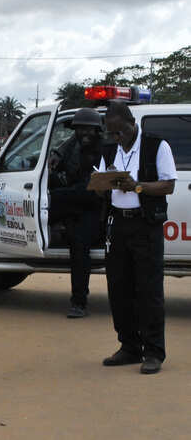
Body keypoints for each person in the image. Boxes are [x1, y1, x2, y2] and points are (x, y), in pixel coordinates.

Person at [98, 100, 176, 375]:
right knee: (119, 288)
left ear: (132, 124)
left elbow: (168, 185)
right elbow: (102, 183)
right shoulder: (110, 150)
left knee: (149, 290)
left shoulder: (157, 146)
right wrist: (100, 186)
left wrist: (138, 187)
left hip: (146, 226)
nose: (116, 137)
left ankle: (153, 351)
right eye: (112, 133)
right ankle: (129, 347)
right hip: (118, 224)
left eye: (120, 131)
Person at [48, 108, 103, 318]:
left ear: (97, 129)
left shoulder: (103, 149)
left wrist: (57, 194)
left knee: (79, 246)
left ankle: (79, 302)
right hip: (72, 201)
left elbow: (90, 189)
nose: (83, 133)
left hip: (91, 204)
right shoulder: (75, 144)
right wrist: (55, 155)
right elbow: (67, 146)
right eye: (79, 129)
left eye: (88, 129)